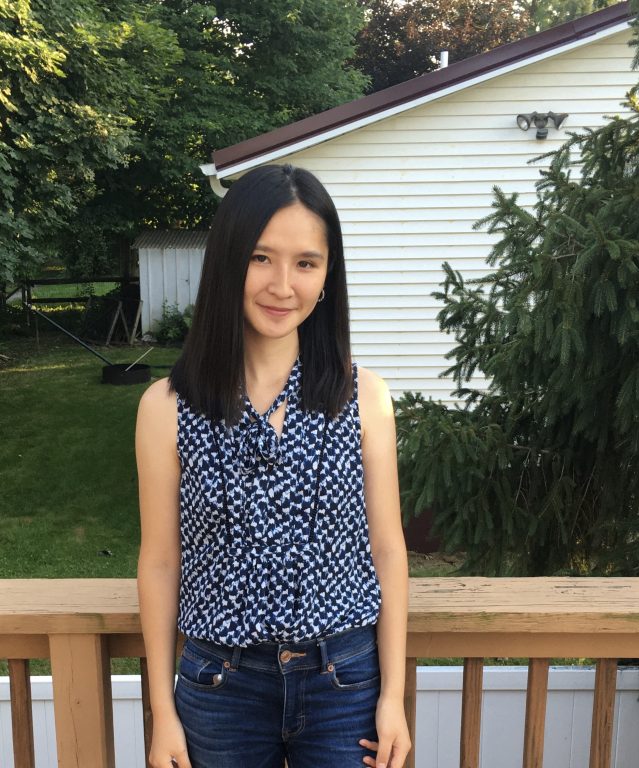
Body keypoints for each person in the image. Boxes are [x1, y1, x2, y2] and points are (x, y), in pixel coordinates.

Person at [135, 164, 412, 768]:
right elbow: (159, 561)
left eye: (305, 263)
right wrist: (162, 711)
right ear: (228, 261)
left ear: (327, 275)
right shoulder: (167, 408)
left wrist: (392, 696)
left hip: (344, 683)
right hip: (219, 688)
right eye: (261, 257)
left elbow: (388, 550)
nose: (282, 285)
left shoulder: (364, 398)